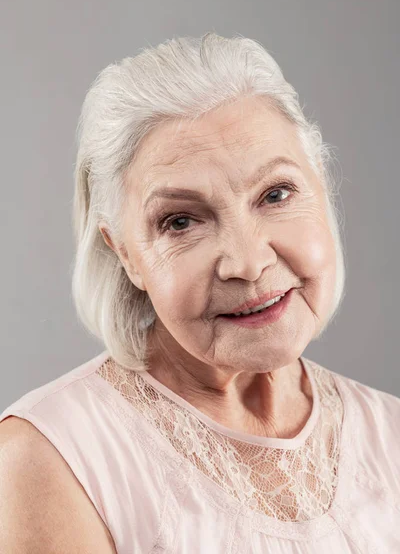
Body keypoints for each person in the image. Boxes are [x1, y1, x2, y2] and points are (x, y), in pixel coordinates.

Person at [1, 32, 399, 553]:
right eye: (181, 221)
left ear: (322, 188)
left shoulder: (391, 434)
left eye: (276, 194)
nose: (249, 261)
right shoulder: (47, 461)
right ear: (124, 254)